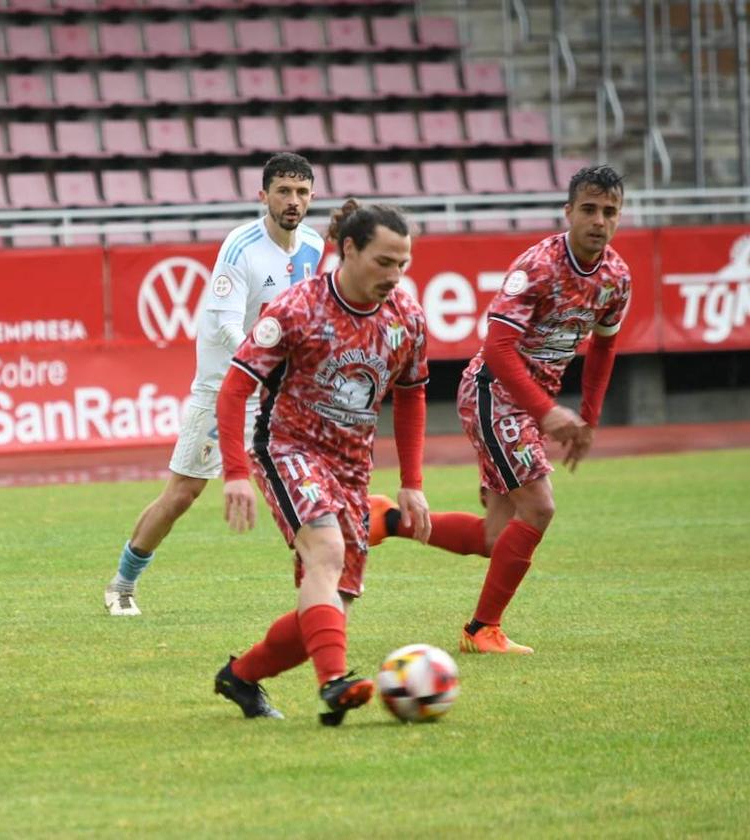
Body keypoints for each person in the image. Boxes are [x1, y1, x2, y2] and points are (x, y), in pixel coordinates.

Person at [103, 152, 396, 616]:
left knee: (309, 493)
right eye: (283, 191)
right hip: (227, 390)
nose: (293, 200)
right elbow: (222, 323)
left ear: (312, 197)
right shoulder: (240, 246)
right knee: (182, 494)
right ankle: (122, 583)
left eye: (301, 192)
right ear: (263, 196)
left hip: (282, 400)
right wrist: (263, 365)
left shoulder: (312, 247)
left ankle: (323, 596)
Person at [374, 165, 631, 655]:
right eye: (590, 209)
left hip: (527, 406)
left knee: (497, 537)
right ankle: (482, 628)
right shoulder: (537, 267)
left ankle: (388, 520)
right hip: (495, 393)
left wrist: (590, 418)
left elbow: (603, 347)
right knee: (540, 506)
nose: (600, 221)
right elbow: (496, 348)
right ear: (569, 212)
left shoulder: (616, 277)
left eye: (610, 211)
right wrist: (548, 411)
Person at [213, 200, 432, 725]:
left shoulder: (408, 319)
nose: (395, 275)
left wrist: (412, 483)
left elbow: (412, 396)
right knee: (326, 553)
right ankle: (334, 683)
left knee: (332, 602)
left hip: (352, 467)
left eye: (403, 263)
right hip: (287, 449)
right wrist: (236, 474)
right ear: (349, 250)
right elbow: (235, 387)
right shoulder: (295, 309)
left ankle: (240, 676)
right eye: (384, 262)